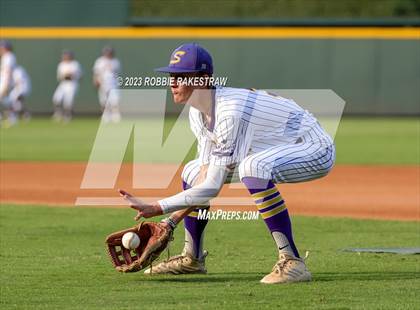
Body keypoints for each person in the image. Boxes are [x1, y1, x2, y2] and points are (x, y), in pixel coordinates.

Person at [119, 43, 336, 284]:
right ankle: (192, 259)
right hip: (272, 147)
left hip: (313, 146)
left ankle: (292, 261)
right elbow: (204, 178)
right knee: (192, 172)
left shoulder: (230, 110)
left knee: (253, 167)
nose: (172, 82)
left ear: (202, 79)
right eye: (171, 76)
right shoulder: (197, 111)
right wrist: (170, 222)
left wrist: (159, 208)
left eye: (181, 76)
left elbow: (212, 187)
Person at [92, 46, 121, 123]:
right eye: (107, 52)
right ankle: (106, 116)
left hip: (113, 84)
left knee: (115, 101)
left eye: (109, 52)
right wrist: (95, 81)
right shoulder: (99, 61)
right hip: (103, 83)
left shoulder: (116, 61)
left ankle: (116, 116)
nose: (108, 53)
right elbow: (96, 73)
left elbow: (117, 74)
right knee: (104, 101)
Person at [52, 50, 82, 122]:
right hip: (63, 83)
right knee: (56, 99)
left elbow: (72, 75)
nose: (65, 57)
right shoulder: (61, 64)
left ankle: (68, 116)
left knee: (68, 102)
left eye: (67, 55)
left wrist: (67, 75)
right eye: (64, 55)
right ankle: (58, 114)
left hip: (72, 84)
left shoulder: (75, 64)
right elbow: (60, 77)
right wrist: (66, 76)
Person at [0, 40, 18, 127]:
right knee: (6, 100)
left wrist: (6, 84)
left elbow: (9, 70)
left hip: (5, 81)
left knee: (5, 99)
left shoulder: (9, 56)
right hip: (3, 80)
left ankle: (12, 117)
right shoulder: (6, 57)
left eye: (1, 47)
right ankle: (12, 117)